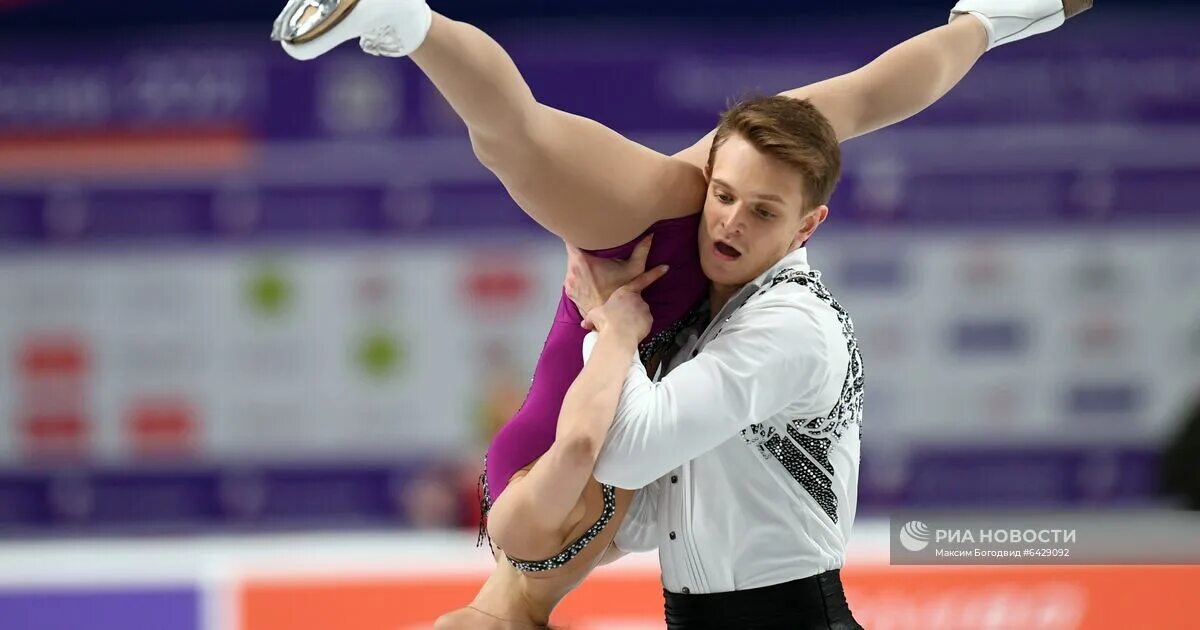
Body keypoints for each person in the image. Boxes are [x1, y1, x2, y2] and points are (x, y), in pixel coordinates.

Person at [271, 1, 1094, 627]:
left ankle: (408, 22)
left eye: (756, 210)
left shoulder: (774, 321)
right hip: (657, 292)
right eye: (729, 197)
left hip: (644, 281)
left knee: (518, 140)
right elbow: (602, 482)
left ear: (805, 227)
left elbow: (609, 450)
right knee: (843, 105)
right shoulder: (563, 516)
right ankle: (992, 17)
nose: (730, 216)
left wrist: (613, 325)